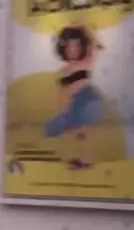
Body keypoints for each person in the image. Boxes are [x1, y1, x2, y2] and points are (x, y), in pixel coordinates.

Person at [44, 25, 103, 170]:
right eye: (70, 46)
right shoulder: (64, 71)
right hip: (74, 102)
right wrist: (63, 107)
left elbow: (93, 46)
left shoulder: (85, 63)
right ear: (63, 49)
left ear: (82, 47)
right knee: (68, 131)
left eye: (77, 46)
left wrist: (85, 28)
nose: (74, 50)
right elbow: (63, 92)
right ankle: (79, 158)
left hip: (88, 100)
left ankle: (86, 160)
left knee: (84, 132)